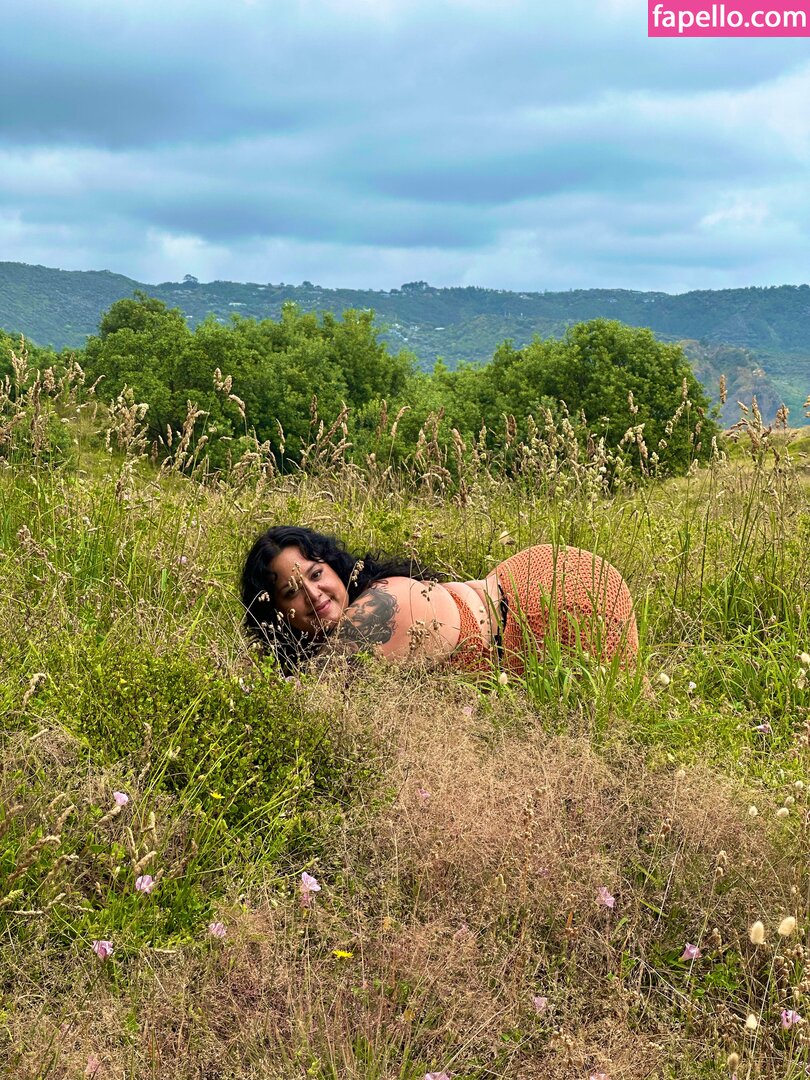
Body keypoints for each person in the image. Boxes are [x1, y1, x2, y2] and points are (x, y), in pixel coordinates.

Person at [240, 525, 639, 675]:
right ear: (275, 612)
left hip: (559, 604)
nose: (313, 594)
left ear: (335, 567)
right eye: (291, 592)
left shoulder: (379, 605)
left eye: (315, 574)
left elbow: (307, 707)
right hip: (520, 584)